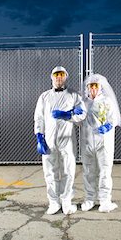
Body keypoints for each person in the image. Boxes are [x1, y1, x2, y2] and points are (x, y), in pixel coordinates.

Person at [34, 66, 86, 215]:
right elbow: (39, 117)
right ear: (52, 77)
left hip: (67, 140)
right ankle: (54, 202)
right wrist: (39, 136)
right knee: (49, 172)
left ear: (65, 77)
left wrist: (67, 115)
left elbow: (82, 115)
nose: (58, 78)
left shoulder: (74, 95)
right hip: (49, 140)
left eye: (61, 75)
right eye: (56, 75)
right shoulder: (44, 96)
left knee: (68, 171)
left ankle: (67, 202)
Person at [80, 73, 121, 213]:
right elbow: (78, 120)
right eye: (90, 86)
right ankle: (89, 199)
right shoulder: (83, 102)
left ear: (100, 87)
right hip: (87, 142)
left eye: (95, 86)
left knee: (105, 170)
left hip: (104, 142)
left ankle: (105, 200)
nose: (92, 89)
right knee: (88, 171)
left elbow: (114, 119)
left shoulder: (107, 101)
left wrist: (108, 126)